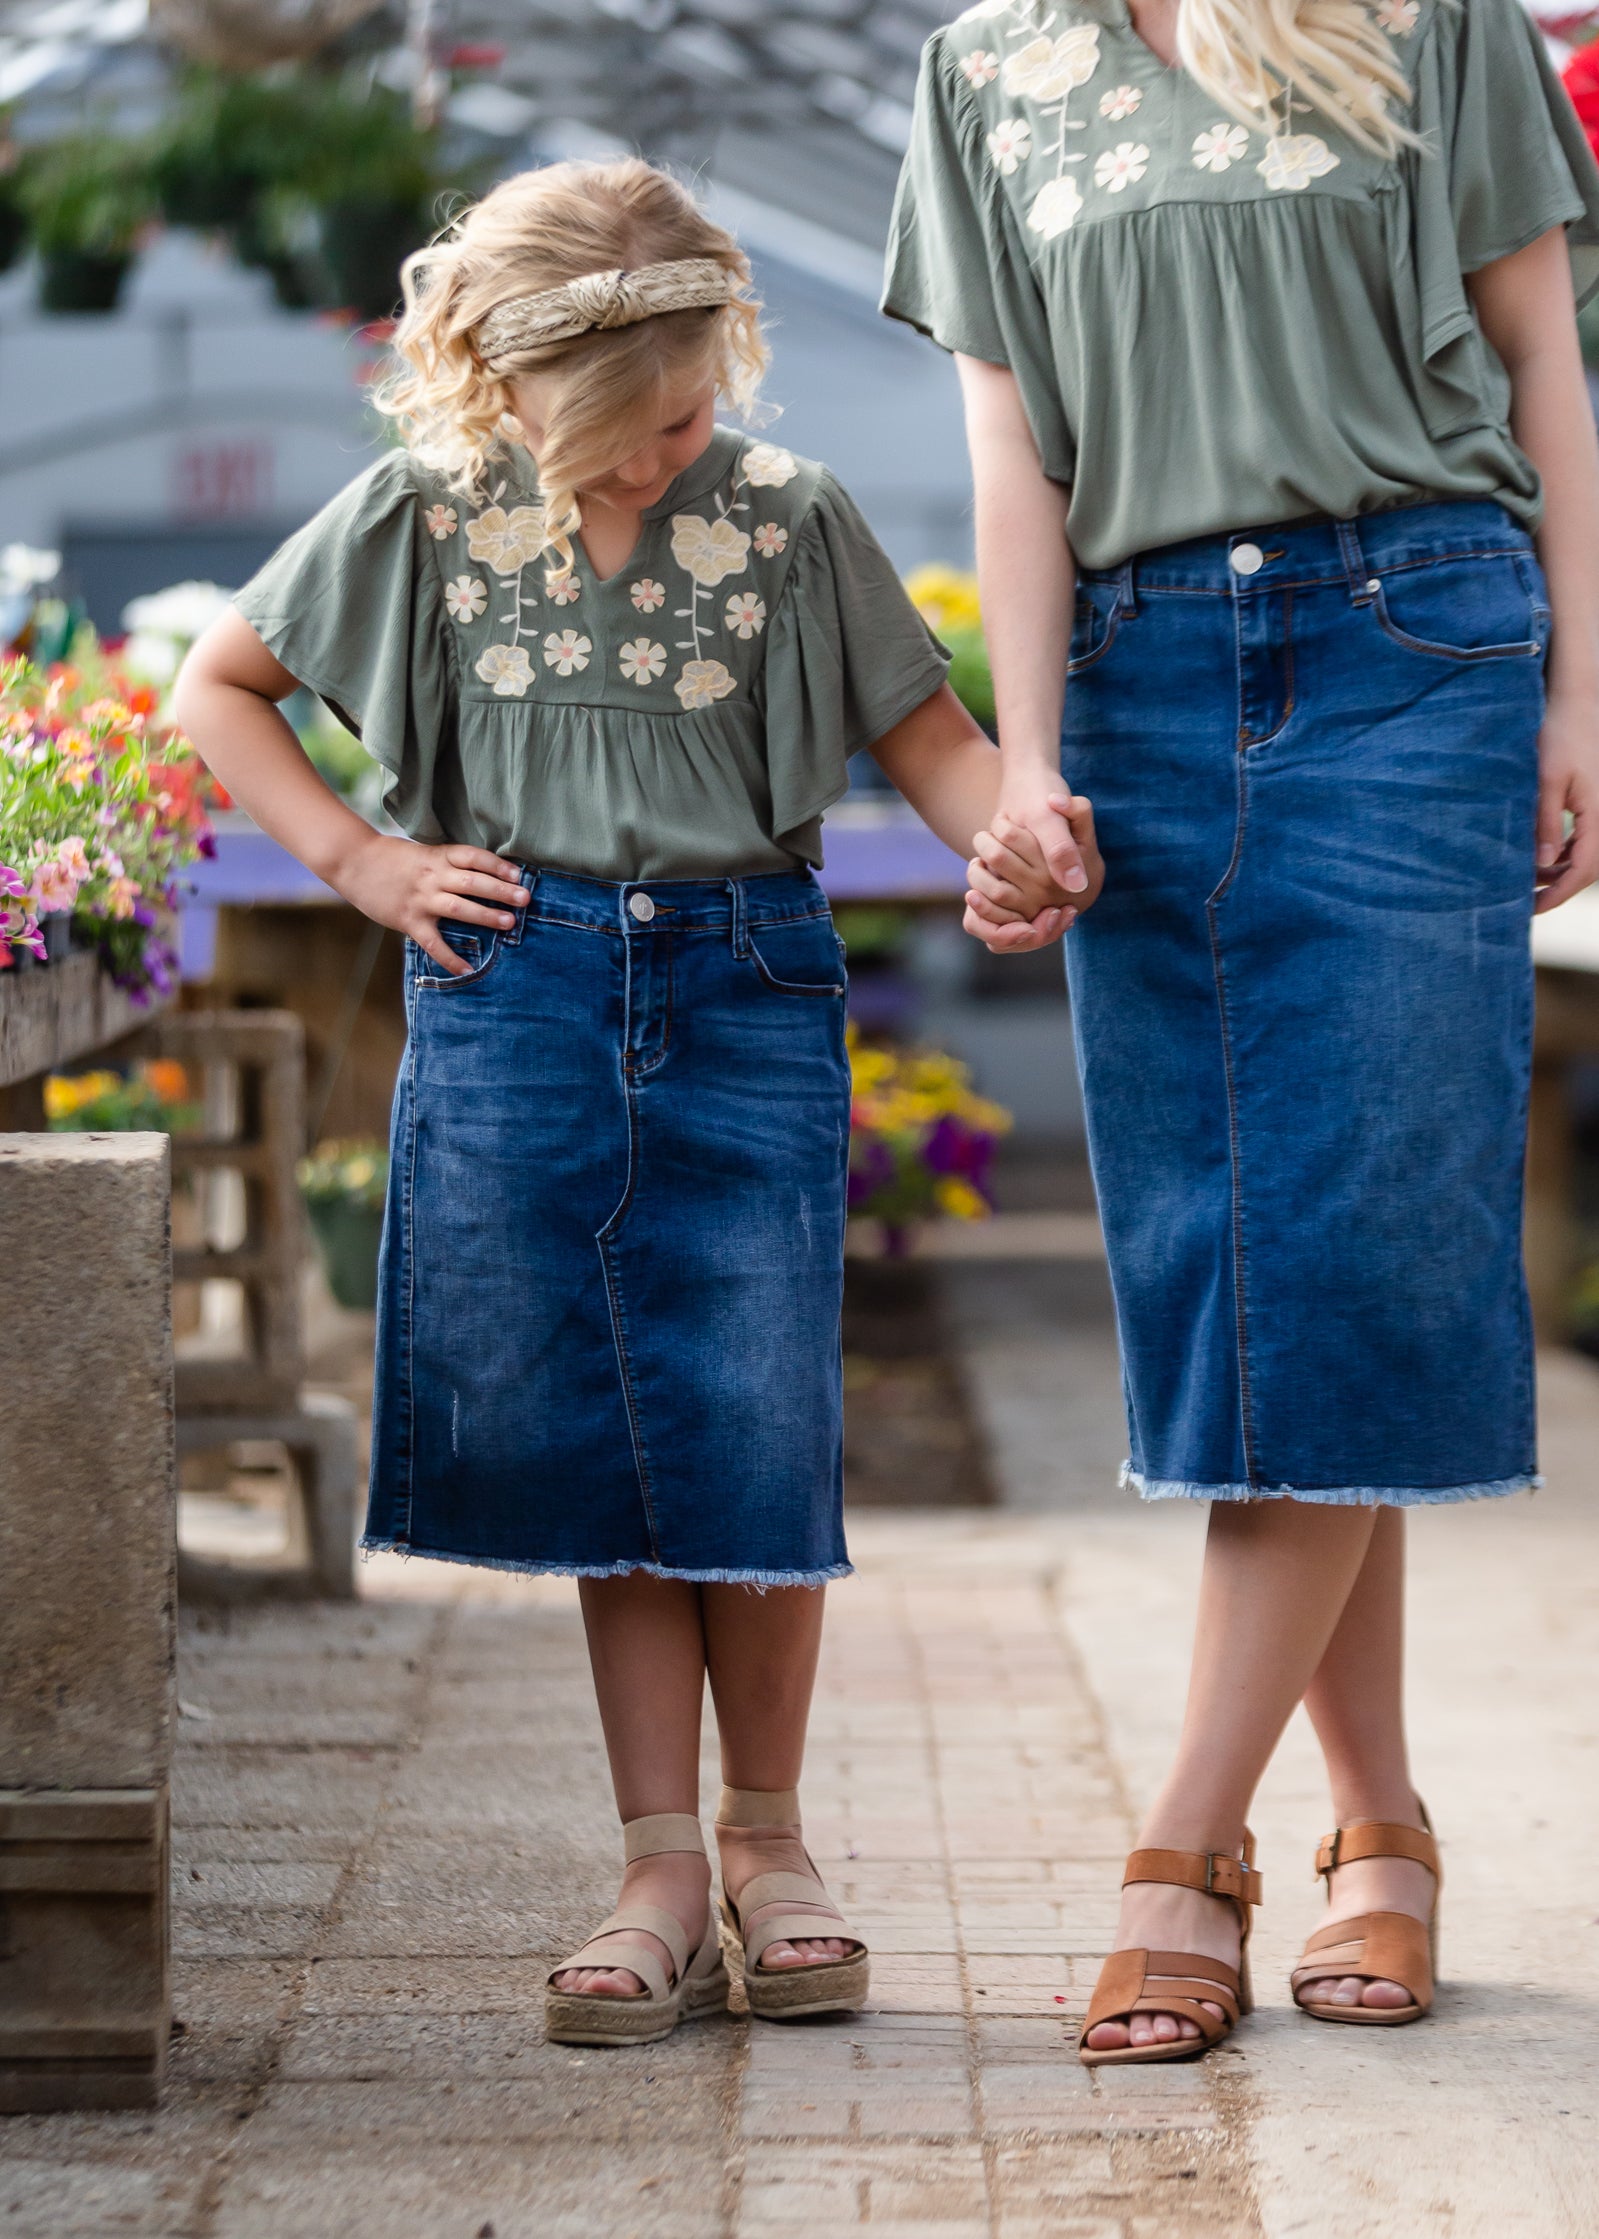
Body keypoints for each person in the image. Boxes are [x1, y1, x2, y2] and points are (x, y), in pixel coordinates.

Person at [176, 158, 1098, 2050]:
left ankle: (773, 1846)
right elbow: (222, 685)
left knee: (749, 1411)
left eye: (687, 414)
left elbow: (927, 736)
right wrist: (361, 862)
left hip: (743, 986)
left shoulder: (788, 514)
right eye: (616, 434)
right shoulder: (429, 517)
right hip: (516, 994)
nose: (659, 456)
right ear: (499, 393)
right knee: (599, 1428)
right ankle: (659, 1863)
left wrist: (1011, 829)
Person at [884, 0, 1599, 2064]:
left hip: (1415, 643)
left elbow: (1544, 355)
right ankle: (1374, 1824)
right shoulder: (984, 65)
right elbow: (1008, 446)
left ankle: (1183, 1840)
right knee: (1250, 1269)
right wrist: (1021, 759)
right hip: (1135, 672)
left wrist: (1573, 702)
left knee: (1356, 1240)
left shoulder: (1424, 16)